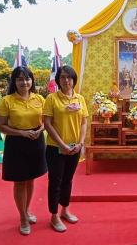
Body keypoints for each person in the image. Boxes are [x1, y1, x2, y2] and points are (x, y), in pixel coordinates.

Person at [0, 66, 47, 236]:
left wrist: (39, 131)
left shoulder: (39, 99)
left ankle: (27, 210)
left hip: (36, 141)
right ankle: (23, 217)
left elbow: (47, 120)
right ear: (14, 81)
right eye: (20, 79)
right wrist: (22, 133)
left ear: (32, 81)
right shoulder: (7, 101)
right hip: (16, 143)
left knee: (31, 179)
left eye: (27, 79)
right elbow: (1, 126)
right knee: (19, 181)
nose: (24, 82)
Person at [43, 65, 88, 233]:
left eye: (69, 77)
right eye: (63, 77)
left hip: (75, 148)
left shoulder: (80, 98)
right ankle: (54, 215)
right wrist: (62, 144)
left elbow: (84, 122)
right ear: (58, 80)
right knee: (55, 182)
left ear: (74, 79)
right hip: (56, 148)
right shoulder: (52, 99)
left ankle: (65, 209)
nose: (66, 80)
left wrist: (80, 143)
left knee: (68, 180)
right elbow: (47, 124)